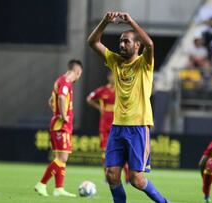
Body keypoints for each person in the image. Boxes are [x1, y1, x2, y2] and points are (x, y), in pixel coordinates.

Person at [88, 11, 170, 203]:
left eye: (126, 41)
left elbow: (150, 44)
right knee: (111, 174)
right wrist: (104, 22)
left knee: (136, 180)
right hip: (117, 126)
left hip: (138, 127)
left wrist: (131, 21)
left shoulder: (144, 63)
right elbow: (92, 42)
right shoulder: (115, 61)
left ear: (136, 45)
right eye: (121, 41)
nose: (122, 44)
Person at [34, 59, 83, 197]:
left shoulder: (59, 80)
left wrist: (56, 114)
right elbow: (61, 98)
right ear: (77, 72)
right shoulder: (66, 82)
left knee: (60, 158)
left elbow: (51, 101)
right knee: (63, 158)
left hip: (57, 124)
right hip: (62, 126)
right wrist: (63, 115)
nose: (79, 77)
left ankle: (59, 188)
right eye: (80, 74)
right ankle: (41, 184)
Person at [86, 72, 130, 183]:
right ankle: (108, 177)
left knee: (122, 151)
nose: (114, 78)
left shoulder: (122, 90)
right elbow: (89, 99)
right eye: (112, 76)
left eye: (116, 76)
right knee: (105, 153)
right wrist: (98, 107)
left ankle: (128, 177)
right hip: (104, 126)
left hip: (118, 125)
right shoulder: (102, 90)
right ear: (108, 77)